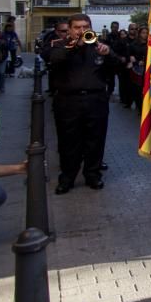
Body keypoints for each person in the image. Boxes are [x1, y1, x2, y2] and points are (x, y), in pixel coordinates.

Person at [43, 13, 119, 194]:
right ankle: (67, 177)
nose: (82, 31)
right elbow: (54, 59)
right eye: (77, 27)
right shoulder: (59, 45)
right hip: (68, 101)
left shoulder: (98, 46)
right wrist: (74, 46)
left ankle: (92, 174)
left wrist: (108, 55)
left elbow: (117, 68)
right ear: (69, 30)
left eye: (85, 27)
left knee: (95, 139)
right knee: (69, 141)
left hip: (96, 100)